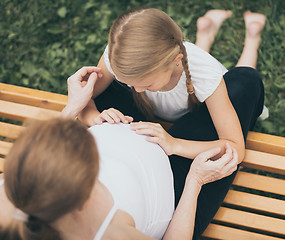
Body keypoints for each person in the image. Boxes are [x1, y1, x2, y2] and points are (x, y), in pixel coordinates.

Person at [77, 7, 266, 238]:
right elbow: (85, 100)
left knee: (241, 78)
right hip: (164, 110)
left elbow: (235, 147)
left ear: (175, 60)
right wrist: (93, 117)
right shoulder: (124, 62)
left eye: (145, 85)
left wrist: (174, 144)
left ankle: (251, 42)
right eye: (129, 83)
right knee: (109, 89)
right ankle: (205, 37)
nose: (136, 90)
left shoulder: (204, 74)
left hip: (196, 104)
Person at [0, 66, 239, 240]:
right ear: (84, 200)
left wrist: (75, 106)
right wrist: (195, 181)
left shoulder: (12, 193)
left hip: (134, 128)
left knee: (111, 77)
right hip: (175, 184)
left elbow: (39, 153)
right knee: (244, 83)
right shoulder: (111, 234)